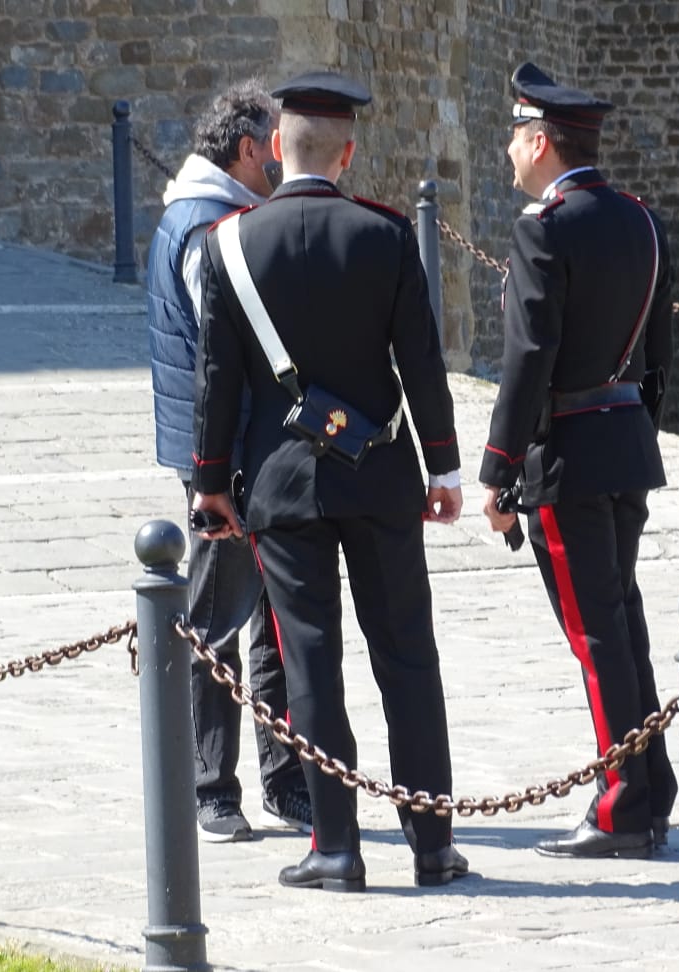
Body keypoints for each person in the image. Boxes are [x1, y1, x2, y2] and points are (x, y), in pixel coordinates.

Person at [190, 70, 470, 892]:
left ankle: (337, 849)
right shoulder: (385, 236)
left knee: (310, 666)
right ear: (348, 153)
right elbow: (423, 361)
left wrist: (211, 483)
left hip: (280, 487)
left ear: (276, 148)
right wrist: (445, 467)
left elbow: (220, 381)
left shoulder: (229, 244)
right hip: (380, 475)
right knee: (407, 660)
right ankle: (432, 846)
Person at [478, 62, 679, 860]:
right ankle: (651, 783)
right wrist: (637, 430)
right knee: (622, 625)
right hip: (625, 444)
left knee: (595, 637)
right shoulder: (641, 221)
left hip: (564, 454)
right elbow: (659, 357)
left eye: (513, 138)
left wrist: (498, 469)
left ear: (539, 141)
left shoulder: (544, 228)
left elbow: (529, 355)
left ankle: (623, 803)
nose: (506, 151)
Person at [145, 79, 311, 843]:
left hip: (249, 450)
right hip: (227, 456)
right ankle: (210, 786)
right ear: (248, 149)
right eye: (271, 145)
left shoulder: (215, 216)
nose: (280, 157)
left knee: (273, 619)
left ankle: (285, 779)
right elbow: (223, 356)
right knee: (215, 619)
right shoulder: (205, 227)